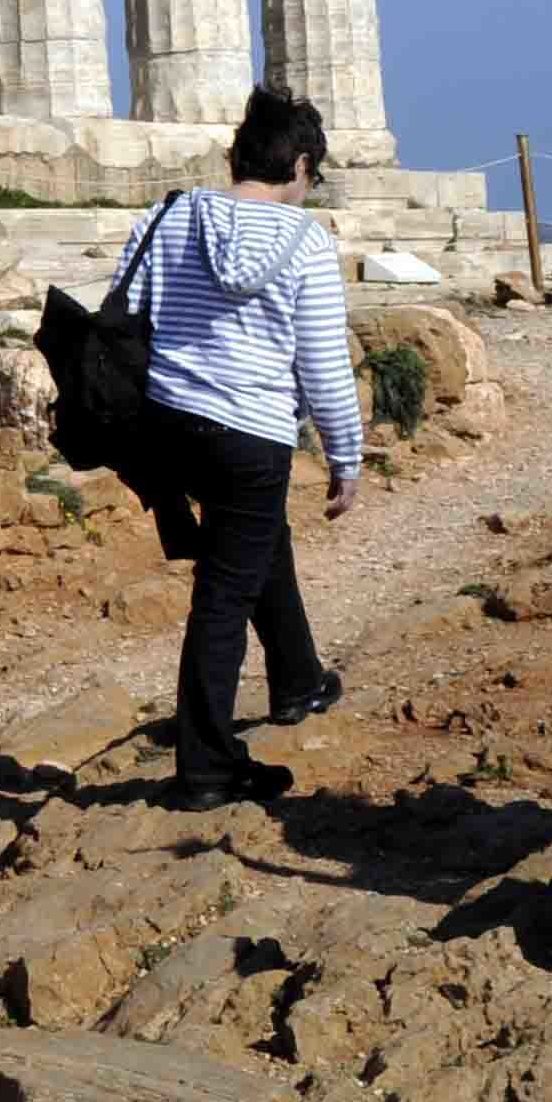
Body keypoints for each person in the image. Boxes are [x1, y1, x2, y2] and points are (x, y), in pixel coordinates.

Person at [128, 85, 366, 809]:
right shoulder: (306, 241)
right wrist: (346, 455)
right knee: (223, 597)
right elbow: (322, 363)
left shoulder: (167, 215)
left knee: (257, 538)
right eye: (311, 176)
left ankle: (298, 679)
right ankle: (206, 766)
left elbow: (123, 315)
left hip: (167, 426)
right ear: (298, 165)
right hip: (249, 433)